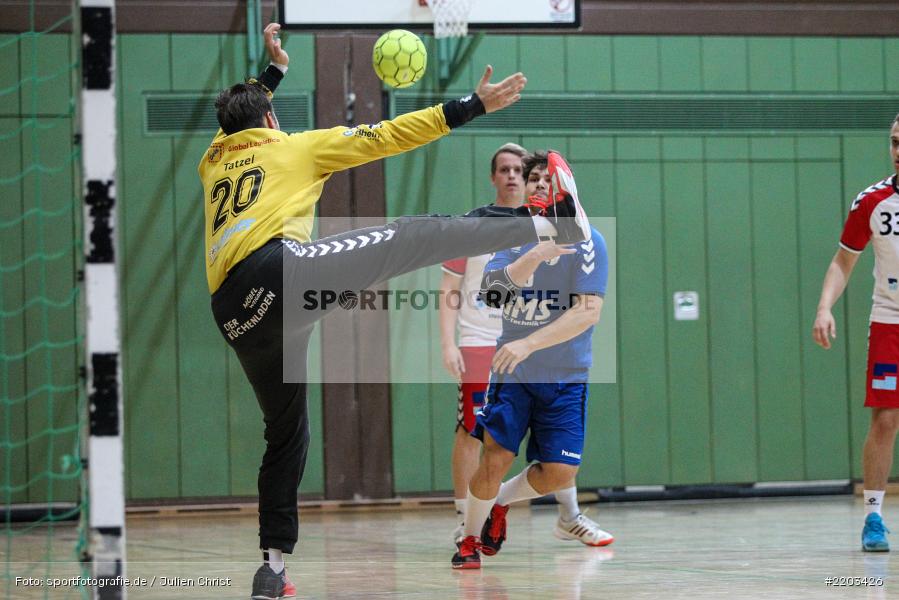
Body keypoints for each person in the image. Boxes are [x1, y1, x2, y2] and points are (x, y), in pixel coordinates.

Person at [198, 24, 591, 599]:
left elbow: (239, 119)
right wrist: (470, 106)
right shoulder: (297, 146)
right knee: (413, 235)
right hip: (280, 276)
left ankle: (273, 567)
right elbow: (387, 135)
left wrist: (270, 76)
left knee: (285, 435)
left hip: (235, 314)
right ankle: (551, 220)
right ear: (271, 123)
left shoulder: (213, 160)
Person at [440, 145, 614, 548]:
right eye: (531, 178)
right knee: (490, 452)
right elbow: (494, 294)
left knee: (559, 472)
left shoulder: (589, 242)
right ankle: (468, 529)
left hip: (564, 373)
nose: (535, 184)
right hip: (509, 367)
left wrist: (531, 343)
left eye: (544, 179)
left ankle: (501, 504)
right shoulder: (512, 235)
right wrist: (535, 256)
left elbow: (588, 312)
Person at [813, 114, 899, 553]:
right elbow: (843, 261)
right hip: (891, 323)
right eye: (895, 142)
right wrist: (825, 306)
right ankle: (873, 517)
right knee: (885, 419)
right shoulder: (873, 201)